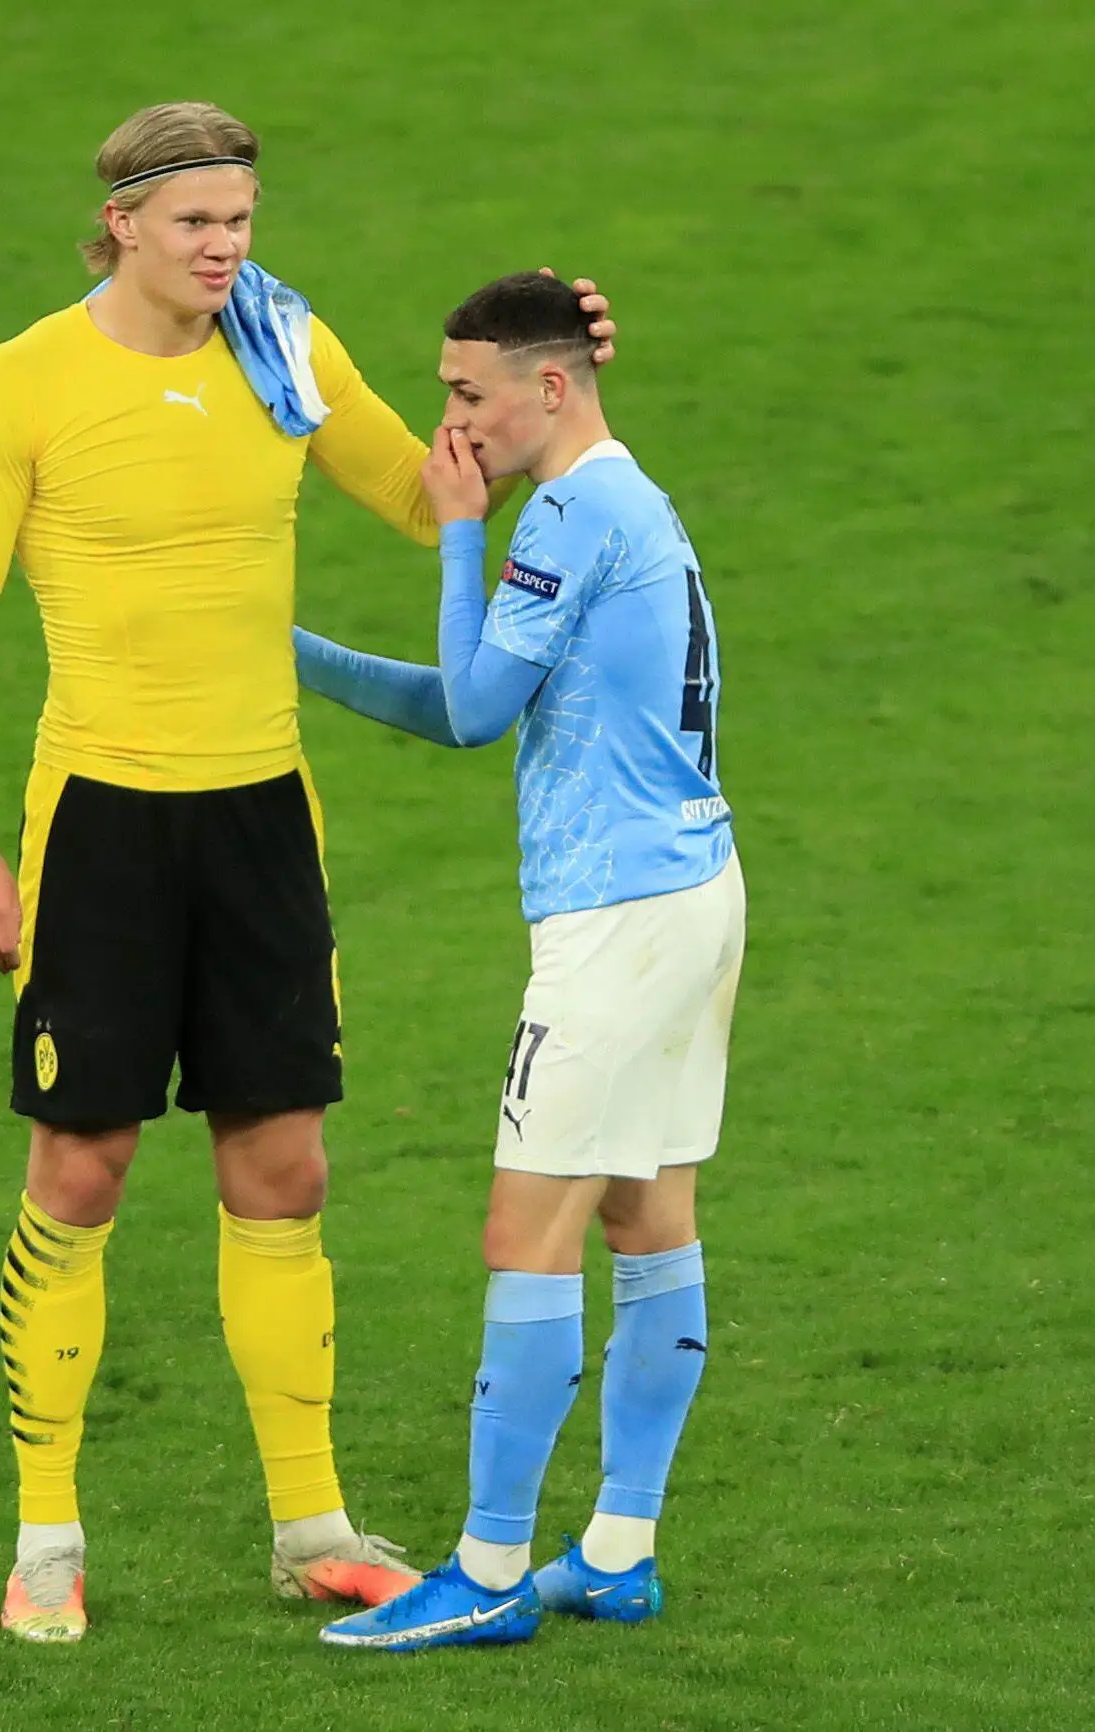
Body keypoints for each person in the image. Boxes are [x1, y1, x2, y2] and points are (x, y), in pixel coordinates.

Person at [0, 104, 615, 1643]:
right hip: (98, 818)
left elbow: (432, 484)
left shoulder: (281, 347)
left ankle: (311, 1525)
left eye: (240, 220)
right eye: (195, 226)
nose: (226, 248)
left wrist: (549, 373)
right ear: (118, 227)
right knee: (82, 1166)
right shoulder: (21, 382)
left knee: (283, 1166)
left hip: (260, 820)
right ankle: (47, 1537)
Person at [290, 271, 740, 1652]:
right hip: (698, 893)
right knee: (645, 1217)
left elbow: (479, 708)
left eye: (467, 395)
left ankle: (485, 1571)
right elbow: (461, 700)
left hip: (615, 921)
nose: (451, 425)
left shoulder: (566, 512)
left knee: (521, 1232)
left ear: (551, 388)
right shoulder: (630, 499)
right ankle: (617, 1547)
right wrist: (285, 655)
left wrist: (455, 542)